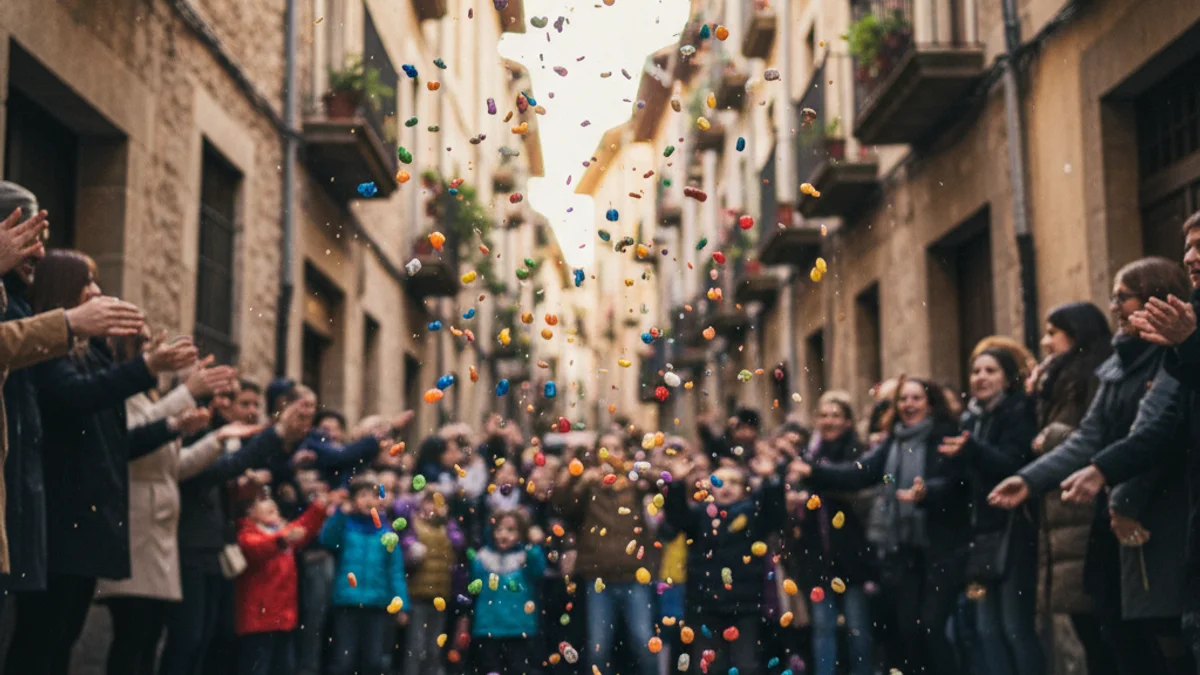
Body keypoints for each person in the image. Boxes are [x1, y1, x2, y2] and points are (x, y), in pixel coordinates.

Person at [989, 256, 1191, 675]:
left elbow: (1154, 433)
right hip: (1113, 519)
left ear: (1156, 298)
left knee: (1161, 642)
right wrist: (1029, 479)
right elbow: (1089, 436)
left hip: (1155, 517)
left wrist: (1121, 497)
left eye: (1124, 297)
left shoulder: (1172, 357)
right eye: (1114, 297)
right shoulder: (1116, 366)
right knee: (1113, 635)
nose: (1114, 307)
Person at [5, 249, 197, 675]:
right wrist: (146, 368)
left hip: (88, 520)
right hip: (61, 518)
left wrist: (171, 422)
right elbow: (74, 397)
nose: (95, 291)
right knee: (40, 641)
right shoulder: (49, 351)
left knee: (62, 641)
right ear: (61, 289)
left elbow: (116, 440)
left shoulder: (89, 354)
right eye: (85, 282)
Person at [0, 184, 145, 612]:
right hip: (57, 515)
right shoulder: (32, 319)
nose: (40, 254)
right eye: (27, 237)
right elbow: (71, 396)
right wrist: (71, 326)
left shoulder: (18, 306)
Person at [95, 340, 262, 675]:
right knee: (134, 636)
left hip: (160, 536)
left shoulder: (151, 398)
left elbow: (177, 465)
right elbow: (131, 439)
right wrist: (186, 395)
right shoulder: (125, 395)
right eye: (144, 342)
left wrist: (214, 441)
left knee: (149, 638)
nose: (155, 347)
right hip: (138, 528)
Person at [792, 378, 968, 675]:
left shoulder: (945, 437)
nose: (908, 405)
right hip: (903, 551)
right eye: (903, 399)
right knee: (907, 630)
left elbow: (956, 483)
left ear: (930, 403)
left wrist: (928, 492)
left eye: (916, 398)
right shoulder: (892, 443)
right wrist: (815, 471)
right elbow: (859, 474)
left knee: (931, 628)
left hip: (940, 550)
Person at [162, 390, 316, 675]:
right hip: (193, 544)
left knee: (209, 638)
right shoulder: (203, 434)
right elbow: (218, 470)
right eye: (233, 398)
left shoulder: (233, 437)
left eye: (253, 403)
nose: (248, 409)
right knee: (189, 639)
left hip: (216, 546)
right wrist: (278, 432)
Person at [1029, 301, 1114, 674]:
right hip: (1064, 515)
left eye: (1052, 332)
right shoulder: (1060, 379)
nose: (1046, 342)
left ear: (1075, 334)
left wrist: (1053, 436)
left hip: (1083, 511)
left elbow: (1097, 436)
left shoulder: (1093, 374)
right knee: (1088, 632)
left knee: (1103, 635)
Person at [945, 348, 1041, 675]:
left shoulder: (1018, 411)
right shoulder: (970, 419)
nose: (981, 378)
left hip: (1013, 532)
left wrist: (972, 450)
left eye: (991, 370)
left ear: (1006, 377)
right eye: (976, 371)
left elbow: (1014, 466)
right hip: (981, 536)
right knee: (986, 629)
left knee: (1015, 627)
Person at [663, 460, 784, 675]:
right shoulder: (699, 514)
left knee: (746, 665)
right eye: (720, 482)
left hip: (745, 605)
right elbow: (676, 517)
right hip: (704, 604)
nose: (726, 487)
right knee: (709, 666)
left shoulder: (753, 513)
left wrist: (770, 480)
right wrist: (677, 483)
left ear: (744, 488)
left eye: (734, 482)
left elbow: (775, 514)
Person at [552, 434, 658, 675]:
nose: (610, 454)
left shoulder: (636, 485)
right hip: (598, 576)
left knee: (643, 642)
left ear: (624, 453)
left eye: (616, 448)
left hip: (634, 574)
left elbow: (663, 483)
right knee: (599, 648)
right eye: (605, 448)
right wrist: (576, 479)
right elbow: (562, 507)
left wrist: (639, 470)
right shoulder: (589, 485)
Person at [787, 391, 874, 675]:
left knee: (857, 628)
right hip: (818, 556)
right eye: (824, 415)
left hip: (853, 555)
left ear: (848, 421)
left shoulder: (858, 453)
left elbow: (853, 484)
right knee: (823, 627)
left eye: (836, 415)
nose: (829, 421)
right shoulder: (809, 454)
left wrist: (814, 476)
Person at [321, 477, 410, 675]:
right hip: (347, 602)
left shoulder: (386, 533)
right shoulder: (345, 527)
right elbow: (327, 540)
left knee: (373, 661)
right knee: (344, 660)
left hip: (377, 604)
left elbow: (395, 570)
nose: (368, 501)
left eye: (373, 496)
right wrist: (339, 515)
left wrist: (401, 605)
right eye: (362, 496)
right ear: (353, 500)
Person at [234, 494, 327, 675]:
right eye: (261, 501)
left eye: (272, 501)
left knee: (284, 668)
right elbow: (258, 547)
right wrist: (282, 540)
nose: (271, 504)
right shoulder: (246, 534)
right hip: (258, 621)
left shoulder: (281, 532)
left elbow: (303, 526)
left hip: (283, 618)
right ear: (248, 511)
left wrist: (319, 507)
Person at [467, 509, 546, 675]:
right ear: (491, 532)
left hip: (518, 628)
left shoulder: (526, 556)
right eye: (499, 529)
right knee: (490, 670)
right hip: (488, 627)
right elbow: (473, 586)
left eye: (511, 530)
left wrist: (534, 546)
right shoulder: (482, 558)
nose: (504, 535)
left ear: (521, 533)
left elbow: (539, 570)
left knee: (518, 669)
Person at [402, 489, 466, 675]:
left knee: (434, 646)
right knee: (416, 645)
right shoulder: (413, 524)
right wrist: (411, 552)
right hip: (418, 595)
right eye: (429, 502)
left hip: (441, 596)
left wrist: (447, 521)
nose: (433, 507)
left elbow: (459, 543)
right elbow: (405, 550)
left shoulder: (447, 527)